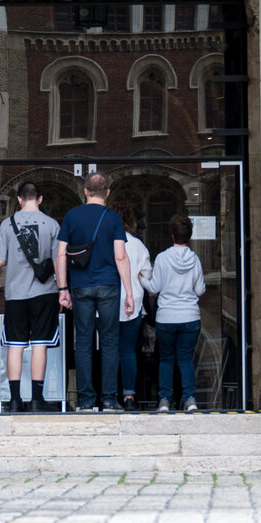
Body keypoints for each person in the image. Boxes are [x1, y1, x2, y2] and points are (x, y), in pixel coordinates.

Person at [55, 172, 135, 412]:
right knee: (110, 342)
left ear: (85, 191)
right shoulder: (113, 219)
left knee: (84, 342)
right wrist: (129, 292)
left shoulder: (71, 216)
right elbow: (120, 256)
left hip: (80, 286)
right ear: (107, 193)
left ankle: (86, 401)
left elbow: (61, 254)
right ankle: (109, 399)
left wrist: (62, 289)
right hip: (109, 285)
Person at [0, 181, 61, 413]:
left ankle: (13, 400)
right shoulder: (52, 225)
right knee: (40, 344)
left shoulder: (6, 225)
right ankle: (36, 399)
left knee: (15, 345)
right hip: (44, 293)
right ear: (40, 199)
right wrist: (63, 289)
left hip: (16, 293)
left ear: (19, 199)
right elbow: (58, 260)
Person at [144, 215, 207, 413]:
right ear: (189, 235)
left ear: (172, 234)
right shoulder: (195, 259)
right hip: (190, 316)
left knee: (167, 360)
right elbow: (200, 290)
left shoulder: (162, 258)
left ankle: (164, 400)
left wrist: (141, 279)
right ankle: (189, 399)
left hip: (167, 318)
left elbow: (154, 287)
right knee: (185, 359)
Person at [114, 203, 152, 410]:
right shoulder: (138, 245)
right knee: (128, 350)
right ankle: (129, 396)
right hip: (133, 303)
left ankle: (109, 396)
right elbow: (147, 275)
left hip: (108, 303)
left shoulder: (105, 242)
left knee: (110, 351)